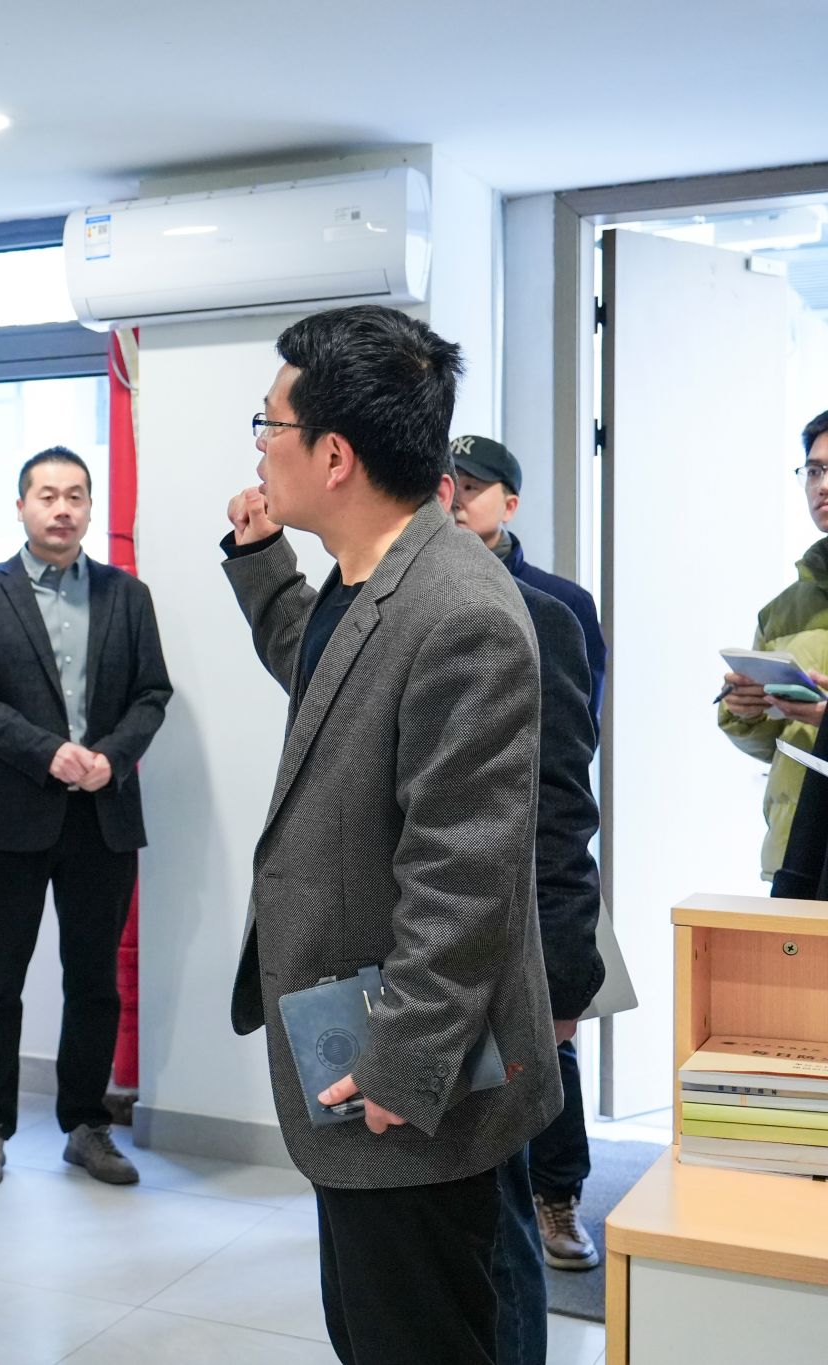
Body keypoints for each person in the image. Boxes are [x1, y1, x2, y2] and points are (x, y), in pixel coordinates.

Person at [223, 304, 561, 1365]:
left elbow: (463, 876)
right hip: (360, 1045)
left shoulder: (460, 611)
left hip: (409, 1077)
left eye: (270, 424)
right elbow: (331, 685)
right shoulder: (371, 574)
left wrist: (400, 1064)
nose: (260, 447)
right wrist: (259, 561)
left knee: (418, 1334)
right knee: (373, 1326)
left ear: (333, 455)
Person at [0, 446, 172, 1188]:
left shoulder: (126, 595)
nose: (62, 508)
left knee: (95, 980)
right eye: (47, 495)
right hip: (12, 813)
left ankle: (86, 1125)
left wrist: (113, 757)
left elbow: (152, 693)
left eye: (76, 495)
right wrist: (48, 753)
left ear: (90, 507)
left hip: (103, 814)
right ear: (21, 506)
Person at [431, 468, 606, 1362]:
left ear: (509, 500)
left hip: (529, 919)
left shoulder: (552, 610)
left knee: (509, 1181)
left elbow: (565, 792)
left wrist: (569, 969)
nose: (457, 503)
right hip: (437, 951)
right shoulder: (403, 604)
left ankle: (561, 1197)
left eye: (475, 487)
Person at [717, 408, 828, 882]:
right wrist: (745, 712)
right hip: (798, 853)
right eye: (815, 470)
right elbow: (773, 747)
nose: (822, 485)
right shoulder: (781, 611)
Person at [449, 436, 606, 726]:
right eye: (446, 487)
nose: (455, 501)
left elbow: (577, 725)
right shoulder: (417, 586)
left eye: (470, 487)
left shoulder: (562, 601)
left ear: (509, 506)